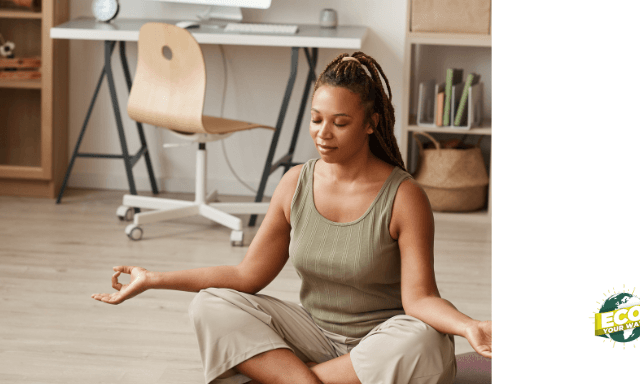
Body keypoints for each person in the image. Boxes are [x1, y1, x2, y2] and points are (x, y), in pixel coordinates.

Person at [91, 52, 492, 384]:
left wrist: (467, 325)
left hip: (380, 342)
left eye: (340, 122)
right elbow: (247, 276)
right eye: (317, 119)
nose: (323, 133)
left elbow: (419, 299)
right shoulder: (295, 183)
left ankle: (288, 378)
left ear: (371, 124)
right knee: (210, 305)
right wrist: (155, 279)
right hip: (312, 335)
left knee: (425, 342)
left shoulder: (405, 197)